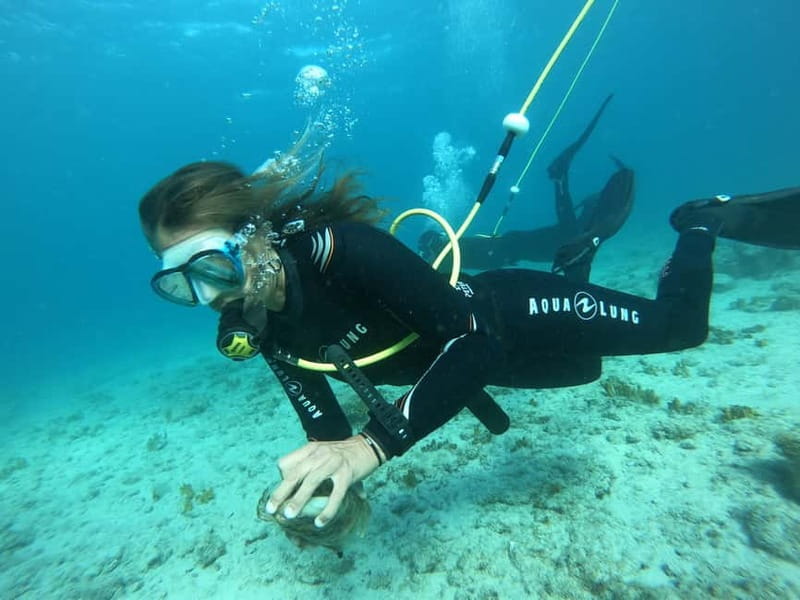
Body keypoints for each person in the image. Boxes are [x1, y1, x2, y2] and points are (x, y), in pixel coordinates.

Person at [139, 146, 800, 532]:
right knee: (586, 372)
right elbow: (326, 433)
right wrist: (330, 491)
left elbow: (475, 342)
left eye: (212, 267)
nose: (210, 296)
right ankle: (576, 257)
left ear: (253, 237)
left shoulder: (345, 252)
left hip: (508, 315)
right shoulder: (264, 325)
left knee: (680, 329)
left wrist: (377, 444)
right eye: (179, 285)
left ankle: (702, 220)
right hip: (475, 371)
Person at [418, 94, 634, 282]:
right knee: (555, 238)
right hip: (516, 246)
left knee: (556, 238)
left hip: (515, 246)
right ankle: (560, 179)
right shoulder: (588, 230)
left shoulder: (584, 232)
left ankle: (560, 179)